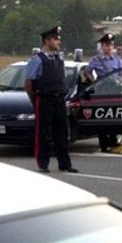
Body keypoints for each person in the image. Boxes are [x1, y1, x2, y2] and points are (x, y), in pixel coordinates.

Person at [23, 25, 77, 173]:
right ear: (47, 41)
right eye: (55, 38)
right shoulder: (37, 60)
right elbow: (28, 83)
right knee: (43, 133)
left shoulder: (59, 58)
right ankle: (43, 163)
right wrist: (34, 99)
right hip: (44, 99)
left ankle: (65, 164)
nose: (58, 41)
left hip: (59, 99)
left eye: (58, 38)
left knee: (62, 132)